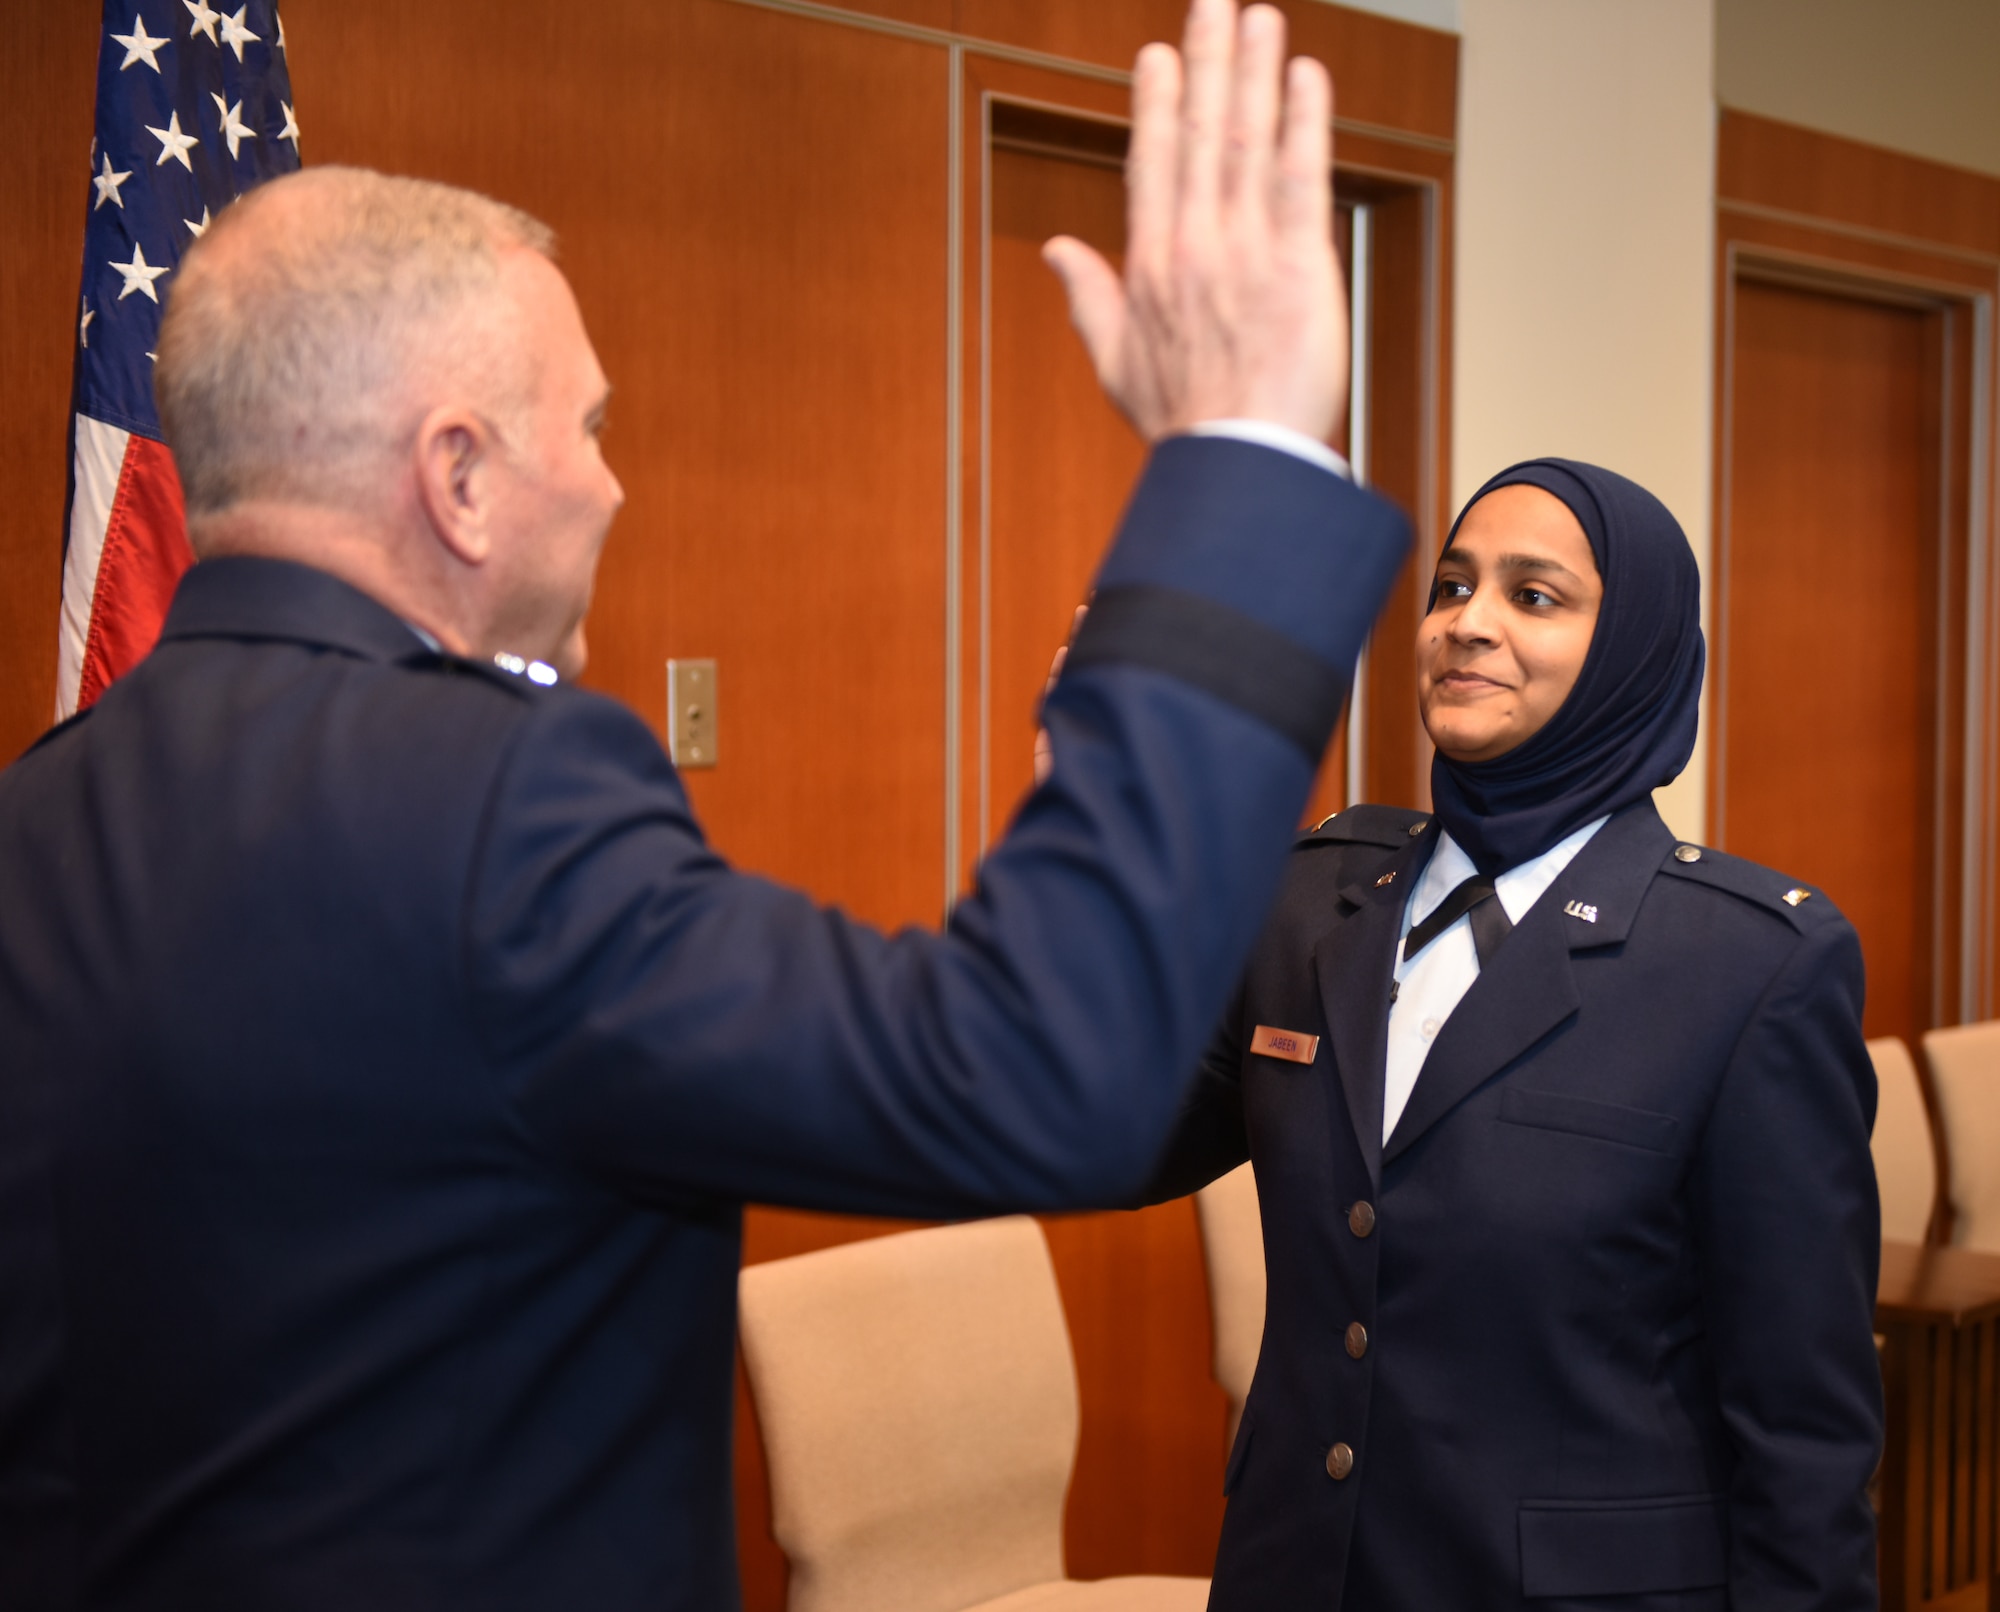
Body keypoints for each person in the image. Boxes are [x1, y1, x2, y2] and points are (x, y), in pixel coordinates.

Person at [0, 4, 1411, 1608]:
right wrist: (1239, 464)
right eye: (589, 427)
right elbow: (1033, 1071)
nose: (611, 482)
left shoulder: (40, 816)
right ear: (457, 476)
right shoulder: (500, 800)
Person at [1145, 458, 1883, 1609]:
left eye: (1531, 596)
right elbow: (1109, 1136)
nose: (1464, 625)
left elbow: (1800, 1426)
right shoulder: (1310, 898)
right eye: (1449, 587)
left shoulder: (1746, 965)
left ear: (1631, 649)